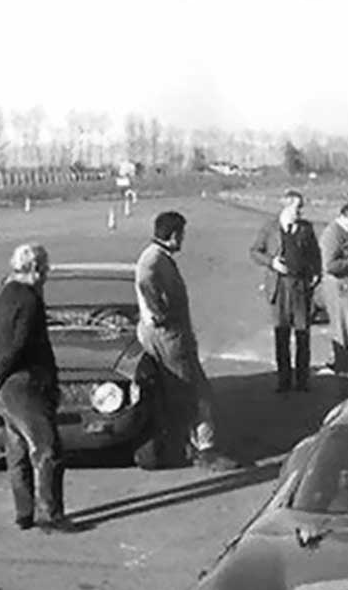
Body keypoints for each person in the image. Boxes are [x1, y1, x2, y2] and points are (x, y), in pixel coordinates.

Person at [0, 244, 76, 532]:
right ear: (35, 270)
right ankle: (51, 514)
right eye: (45, 269)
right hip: (27, 384)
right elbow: (20, 344)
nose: (46, 275)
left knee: (17, 450)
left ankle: (24, 513)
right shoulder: (30, 301)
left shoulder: (2, 295)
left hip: (6, 389)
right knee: (48, 449)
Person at [137, 211, 241, 471]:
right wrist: (161, 314)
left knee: (185, 393)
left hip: (166, 334)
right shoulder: (153, 260)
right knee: (194, 394)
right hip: (169, 337)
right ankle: (204, 450)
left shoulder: (156, 257)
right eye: (181, 234)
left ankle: (190, 446)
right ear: (173, 236)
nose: (183, 239)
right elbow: (146, 283)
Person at [250, 189, 323, 392]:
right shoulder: (270, 228)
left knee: (303, 333)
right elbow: (255, 251)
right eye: (297, 207)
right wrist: (272, 262)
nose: (300, 211)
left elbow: (315, 253)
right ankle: (283, 380)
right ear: (286, 206)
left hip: (300, 286)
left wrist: (316, 273)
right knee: (281, 334)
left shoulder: (306, 228)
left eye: (301, 207)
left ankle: (302, 380)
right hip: (279, 286)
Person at [319, 199, 348, 387]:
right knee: (343, 331)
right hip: (339, 288)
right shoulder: (333, 234)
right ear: (347, 215)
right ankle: (344, 373)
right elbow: (329, 265)